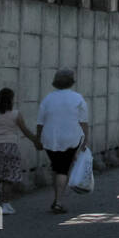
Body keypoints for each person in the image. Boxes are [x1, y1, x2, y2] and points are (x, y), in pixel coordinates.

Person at [35, 68, 89, 215]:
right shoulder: (78, 98)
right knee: (63, 169)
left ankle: (56, 198)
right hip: (71, 138)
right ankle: (58, 202)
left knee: (56, 167)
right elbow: (83, 122)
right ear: (71, 82)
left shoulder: (48, 99)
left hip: (50, 138)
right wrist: (86, 140)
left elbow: (40, 122)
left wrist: (37, 139)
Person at [0, 87, 40, 214]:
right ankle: (6, 205)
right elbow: (25, 130)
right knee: (8, 178)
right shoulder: (16, 114)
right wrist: (35, 140)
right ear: (11, 100)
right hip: (11, 148)